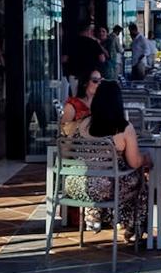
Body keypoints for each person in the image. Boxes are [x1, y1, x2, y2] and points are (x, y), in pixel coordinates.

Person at [62, 80, 148, 240]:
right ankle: (131, 227)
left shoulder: (80, 124)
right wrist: (146, 160)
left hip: (75, 187)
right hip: (107, 189)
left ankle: (97, 212)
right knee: (140, 183)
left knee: (109, 180)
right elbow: (134, 162)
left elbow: (66, 154)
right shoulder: (123, 127)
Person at [60, 68, 102, 138]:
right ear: (85, 83)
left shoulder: (101, 103)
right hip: (81, 146)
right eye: (95, 81)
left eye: (100, 81)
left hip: (101, 144)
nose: (99, 84)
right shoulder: (72, 106)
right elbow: (65, 136)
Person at [67, 24, 107, 94]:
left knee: (76, 96)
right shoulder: (93, 43)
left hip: (74, 74)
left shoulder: (71, 42)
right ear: (89, 31)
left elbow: (65, 58)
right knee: (88, 96)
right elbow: (102, 59)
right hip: (89, 75)